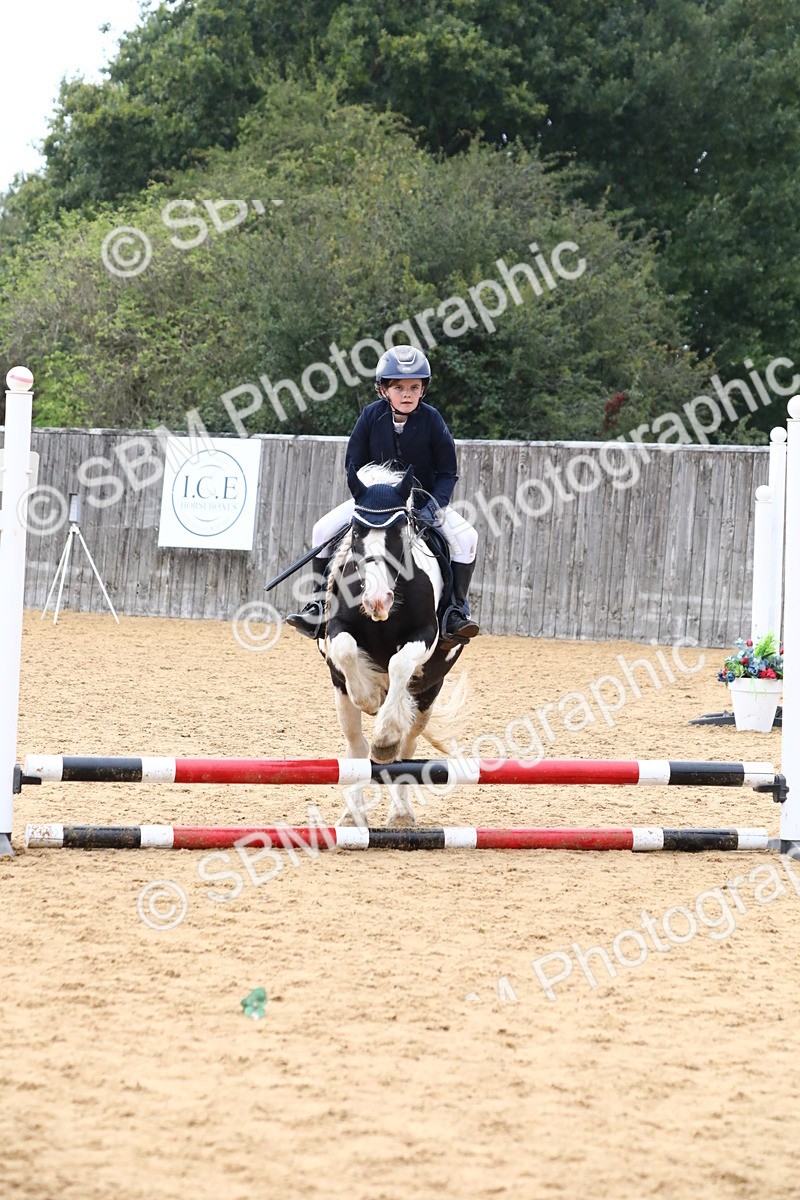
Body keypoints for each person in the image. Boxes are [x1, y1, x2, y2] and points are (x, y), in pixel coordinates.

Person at [287, 344, 480, 641]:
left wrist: (434, 507)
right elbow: (353, 462)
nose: (407, 394)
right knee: (322, 529)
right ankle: (318, 604)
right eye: (399, 387)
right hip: (374, 501)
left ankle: (455, 611)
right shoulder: (369, 416)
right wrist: (367, 494)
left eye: (414, 387)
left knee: (467, 537)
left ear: (422, 390)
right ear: (383, 390)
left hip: (421, 500)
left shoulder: (432, 420)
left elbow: (446, 472)